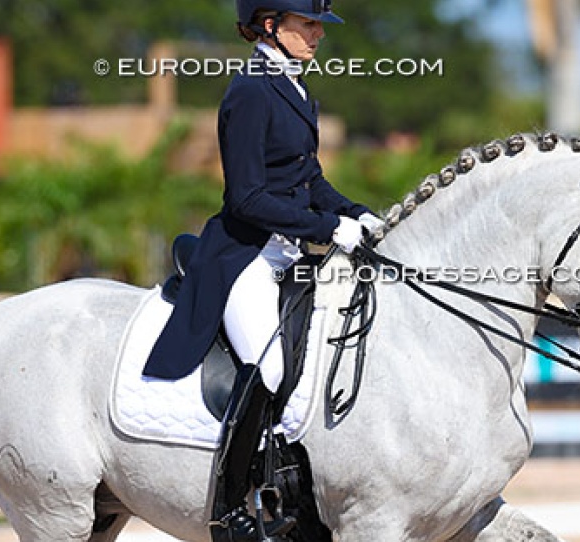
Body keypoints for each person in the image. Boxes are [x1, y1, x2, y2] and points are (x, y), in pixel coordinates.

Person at [143, 1, 384, 539]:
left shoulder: (295, 88)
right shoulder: (251, 89)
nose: (318, 33)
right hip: (245, 254)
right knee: (270, 368)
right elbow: (247, 197)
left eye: (319, 24)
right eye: (308, 23)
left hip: (289, 252)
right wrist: (324, 228)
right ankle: (231, 509)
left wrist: (356, 212)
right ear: (271, 25)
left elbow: (310, 180)